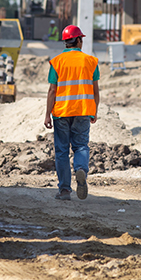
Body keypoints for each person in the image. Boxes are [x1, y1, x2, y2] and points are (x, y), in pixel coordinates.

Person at [44, 25, 99, 201]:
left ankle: (65, 191)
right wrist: (94, 111)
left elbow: (52, 90)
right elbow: (95, 90)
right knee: (81, 146)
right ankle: (81, 169)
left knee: (61, 151)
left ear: (66, 42)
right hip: (83, 111)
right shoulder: (91, 61)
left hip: (61, 113)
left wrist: (47, 114)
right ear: (78, 40)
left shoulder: (57, 61)